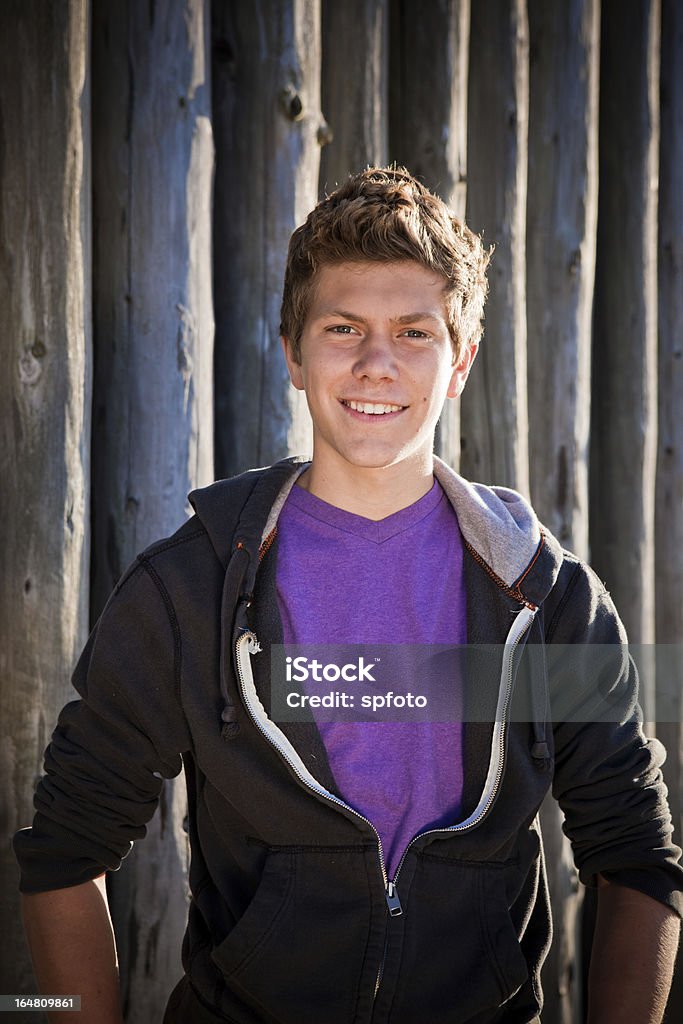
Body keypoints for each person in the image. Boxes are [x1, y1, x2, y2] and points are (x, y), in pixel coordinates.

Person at [15, 167, 682, 1024]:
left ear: (460, 361)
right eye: (342, 328)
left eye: (413, 332)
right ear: (293, 351)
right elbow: (68, 851)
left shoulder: (546, 600)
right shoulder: (190, 589)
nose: (376, 362)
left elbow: (634, 854)